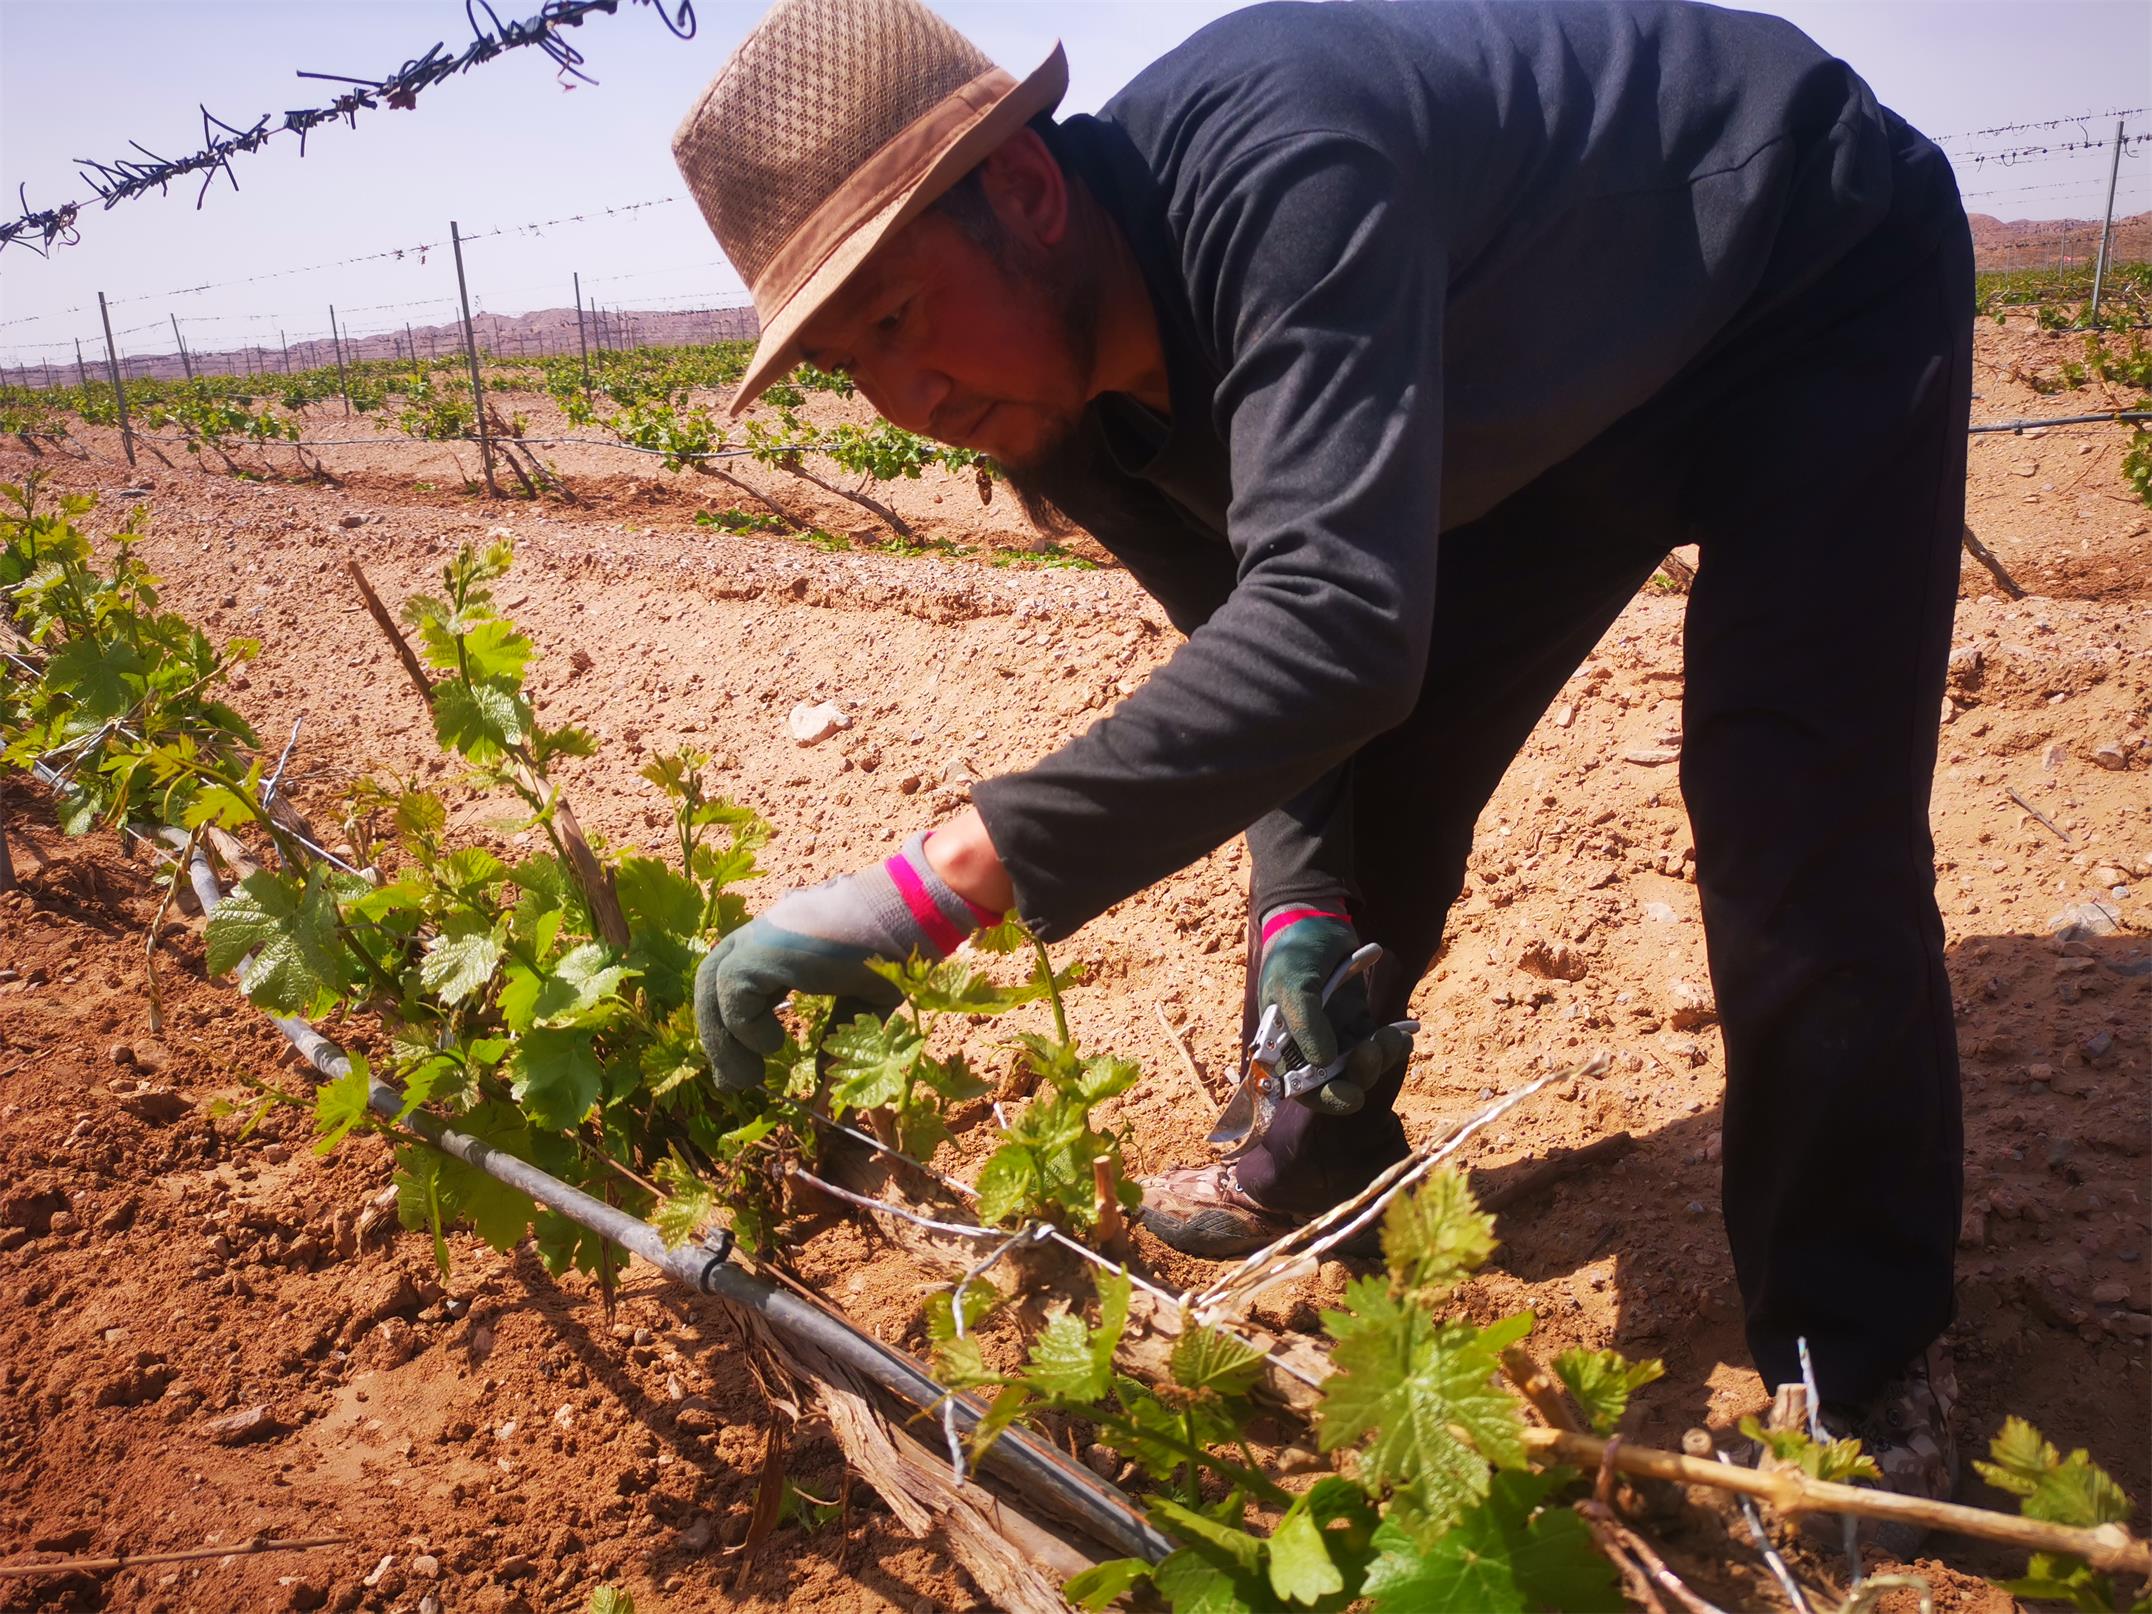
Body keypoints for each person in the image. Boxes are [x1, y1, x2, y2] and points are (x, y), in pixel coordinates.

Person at [674, 0, 1970, 1540]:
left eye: (894, 318)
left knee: (1791, 816)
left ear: (1024, 193)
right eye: (845, 360)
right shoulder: (1067, 409)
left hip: (1796, 276)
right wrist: (1301, 915)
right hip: (1529, 378)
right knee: (1374, 780)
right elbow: (1265, 656)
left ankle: (1861, 1356)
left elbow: (1338, 626)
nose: (901, 399)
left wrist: (927, 886)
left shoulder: (1285, 166)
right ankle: (1320, 1133)